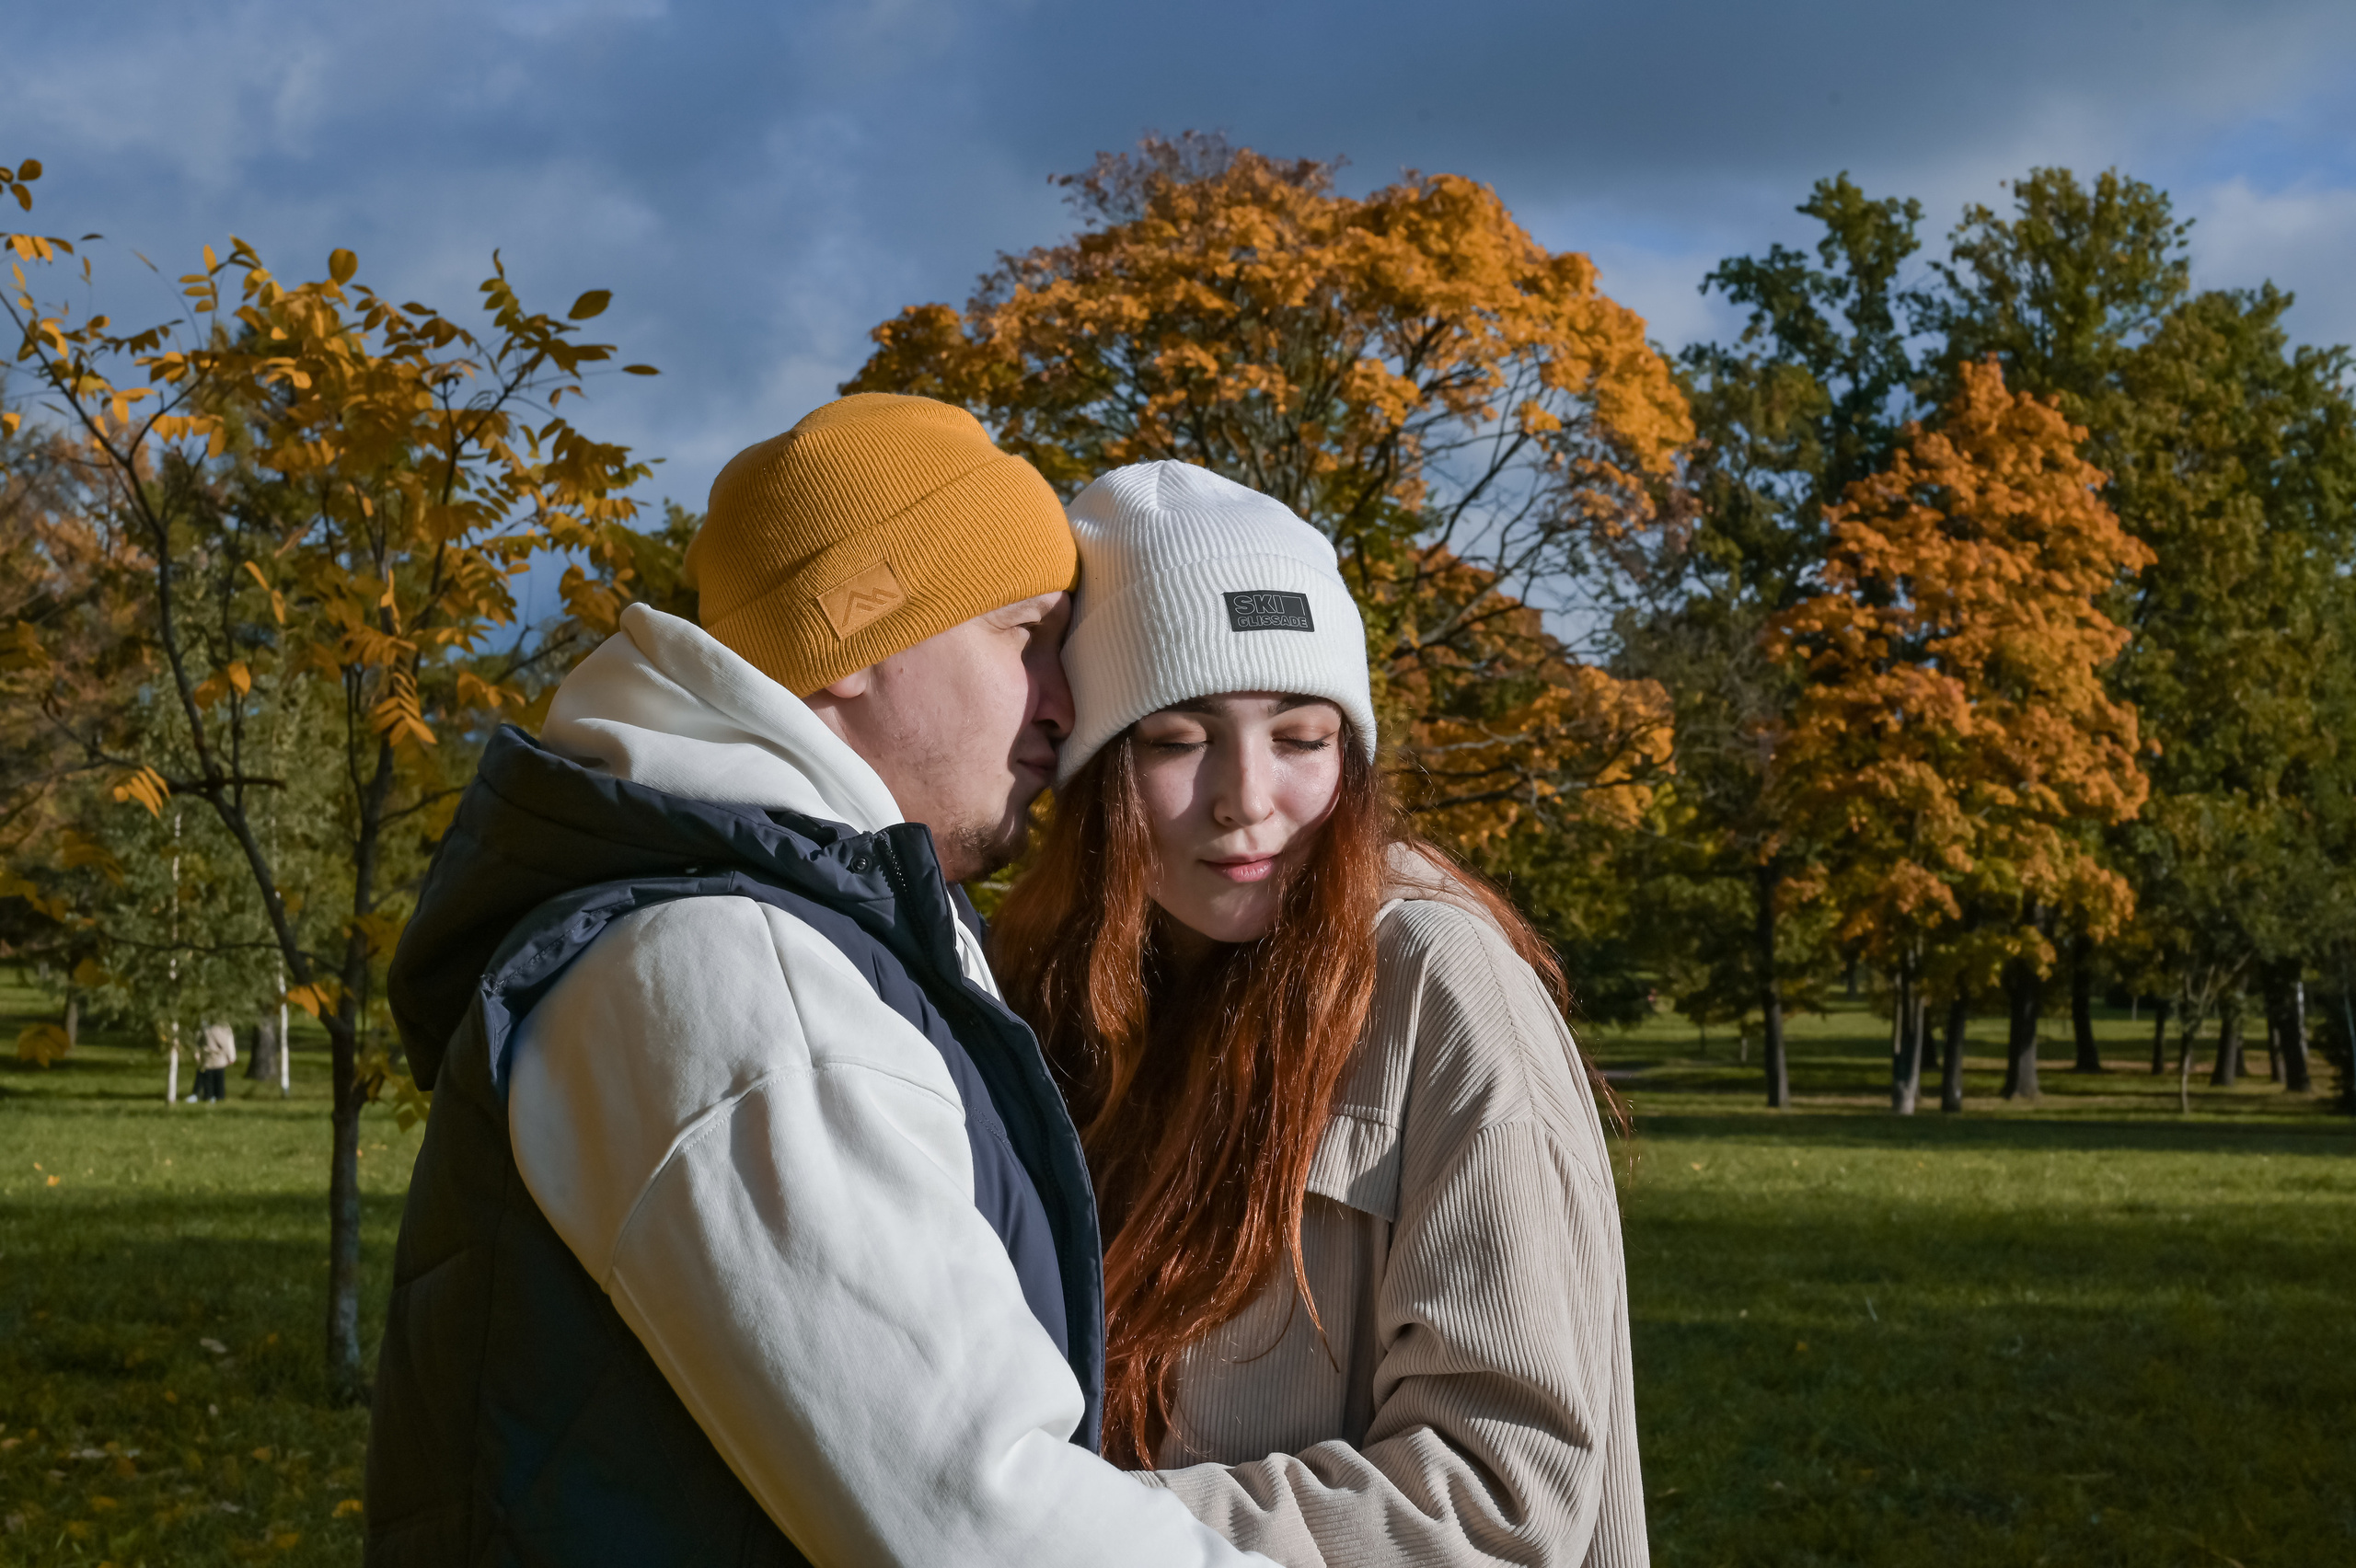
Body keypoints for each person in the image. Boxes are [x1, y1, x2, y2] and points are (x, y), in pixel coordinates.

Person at [368, 397, 1273, 1567]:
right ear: (859, 639)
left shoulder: (792, 936)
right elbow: (978, 1519)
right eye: (1024, 635)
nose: (1064, 700)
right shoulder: (737, 975)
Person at [994, 461, 1649, 1566]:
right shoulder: (1046, 991)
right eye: (1177, 739)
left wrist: (1058, 1523)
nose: (1248, 799)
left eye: (1300, 737)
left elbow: (1505, 1500)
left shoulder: (1435, 983)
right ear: (1090, 764)